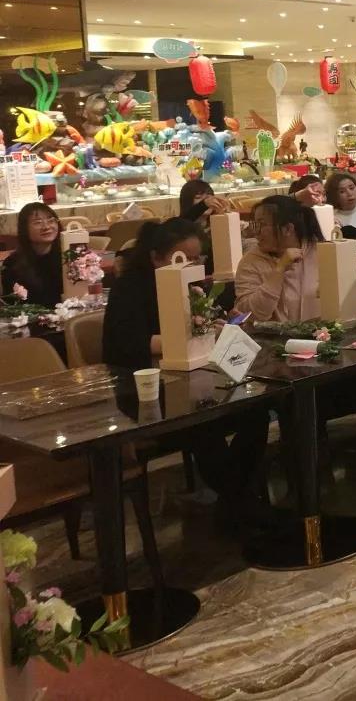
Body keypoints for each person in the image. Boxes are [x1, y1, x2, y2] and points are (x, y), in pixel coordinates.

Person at [103, 218, 269, 527]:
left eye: (196, 258)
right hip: (146, 392)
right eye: (183, 258)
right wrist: (193, 335)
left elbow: (204, 330)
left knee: (255, 409)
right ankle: (241, 504)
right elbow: (129, 344)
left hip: (194, 379)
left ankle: (235, 500)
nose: (192, 265)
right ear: (156, 257)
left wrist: (219, 325)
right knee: (203, 424)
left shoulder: (193, 286)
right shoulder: (130, 288)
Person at [234, 196, 322, 322]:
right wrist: (279, 269)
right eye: (255, 225)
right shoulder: (250, 261)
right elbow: (249, 315)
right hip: (270, 335)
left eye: (262, 225)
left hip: (323, 332)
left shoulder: (320, 252)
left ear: (288, 229)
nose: (256, 232)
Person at [1, 203, 63, 308]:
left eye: (51, 220)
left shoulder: (66, 256)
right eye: (38, 222)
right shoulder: (12, 264)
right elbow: (11, 306)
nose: (46, 227)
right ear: (24, 229)